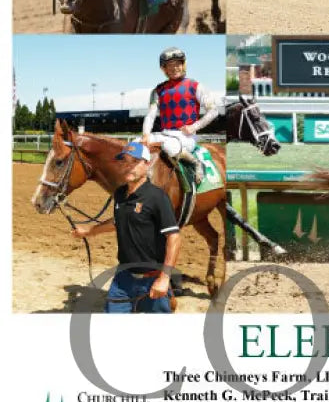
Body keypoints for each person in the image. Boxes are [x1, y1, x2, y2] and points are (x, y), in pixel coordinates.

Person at [71, 141, 180, 314]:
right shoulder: (120, 194)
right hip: (123, 279)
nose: (129, 167)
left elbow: (173, 237)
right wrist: (89, 231)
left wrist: (164, 278)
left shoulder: (157, 197)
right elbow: (118, 220)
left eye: (135, 162)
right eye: (125, 161)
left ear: (147, 163)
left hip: (152, 278)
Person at [142, 48, 220, 195]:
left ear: (184, 65)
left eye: (177, 64)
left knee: (169, 146)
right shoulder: (158, 90)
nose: (174, 68)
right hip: (165, 134)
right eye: (169, 66)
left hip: (186, 137)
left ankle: (196, 163)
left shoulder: (196, 86)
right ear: (163, 69)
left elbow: (214, 110)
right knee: (135, 144)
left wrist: (194, 127)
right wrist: (145, 134)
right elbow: (150, 115)